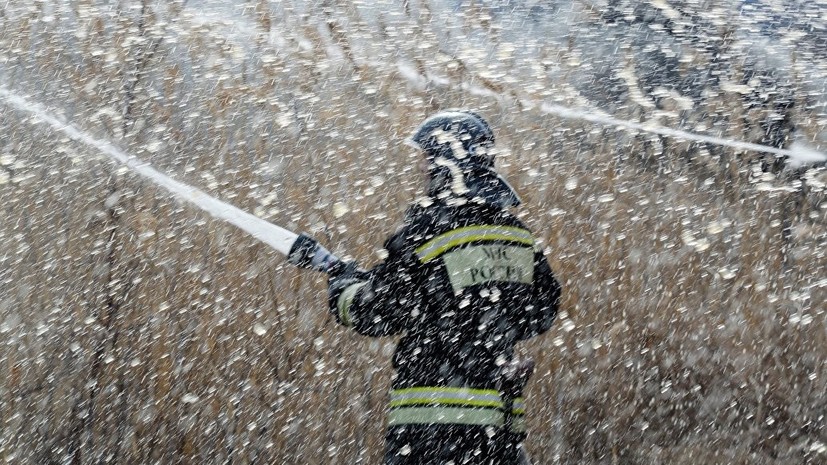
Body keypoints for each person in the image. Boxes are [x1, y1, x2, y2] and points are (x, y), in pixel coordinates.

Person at [299, 110, 561, 464]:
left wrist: (341, 285)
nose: (422, 170)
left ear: (446, 163)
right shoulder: (516, 235)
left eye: (426, 160)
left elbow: (376, 313)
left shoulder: (427, 233)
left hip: (431, 431)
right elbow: (541, 312)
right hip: (500, 434)